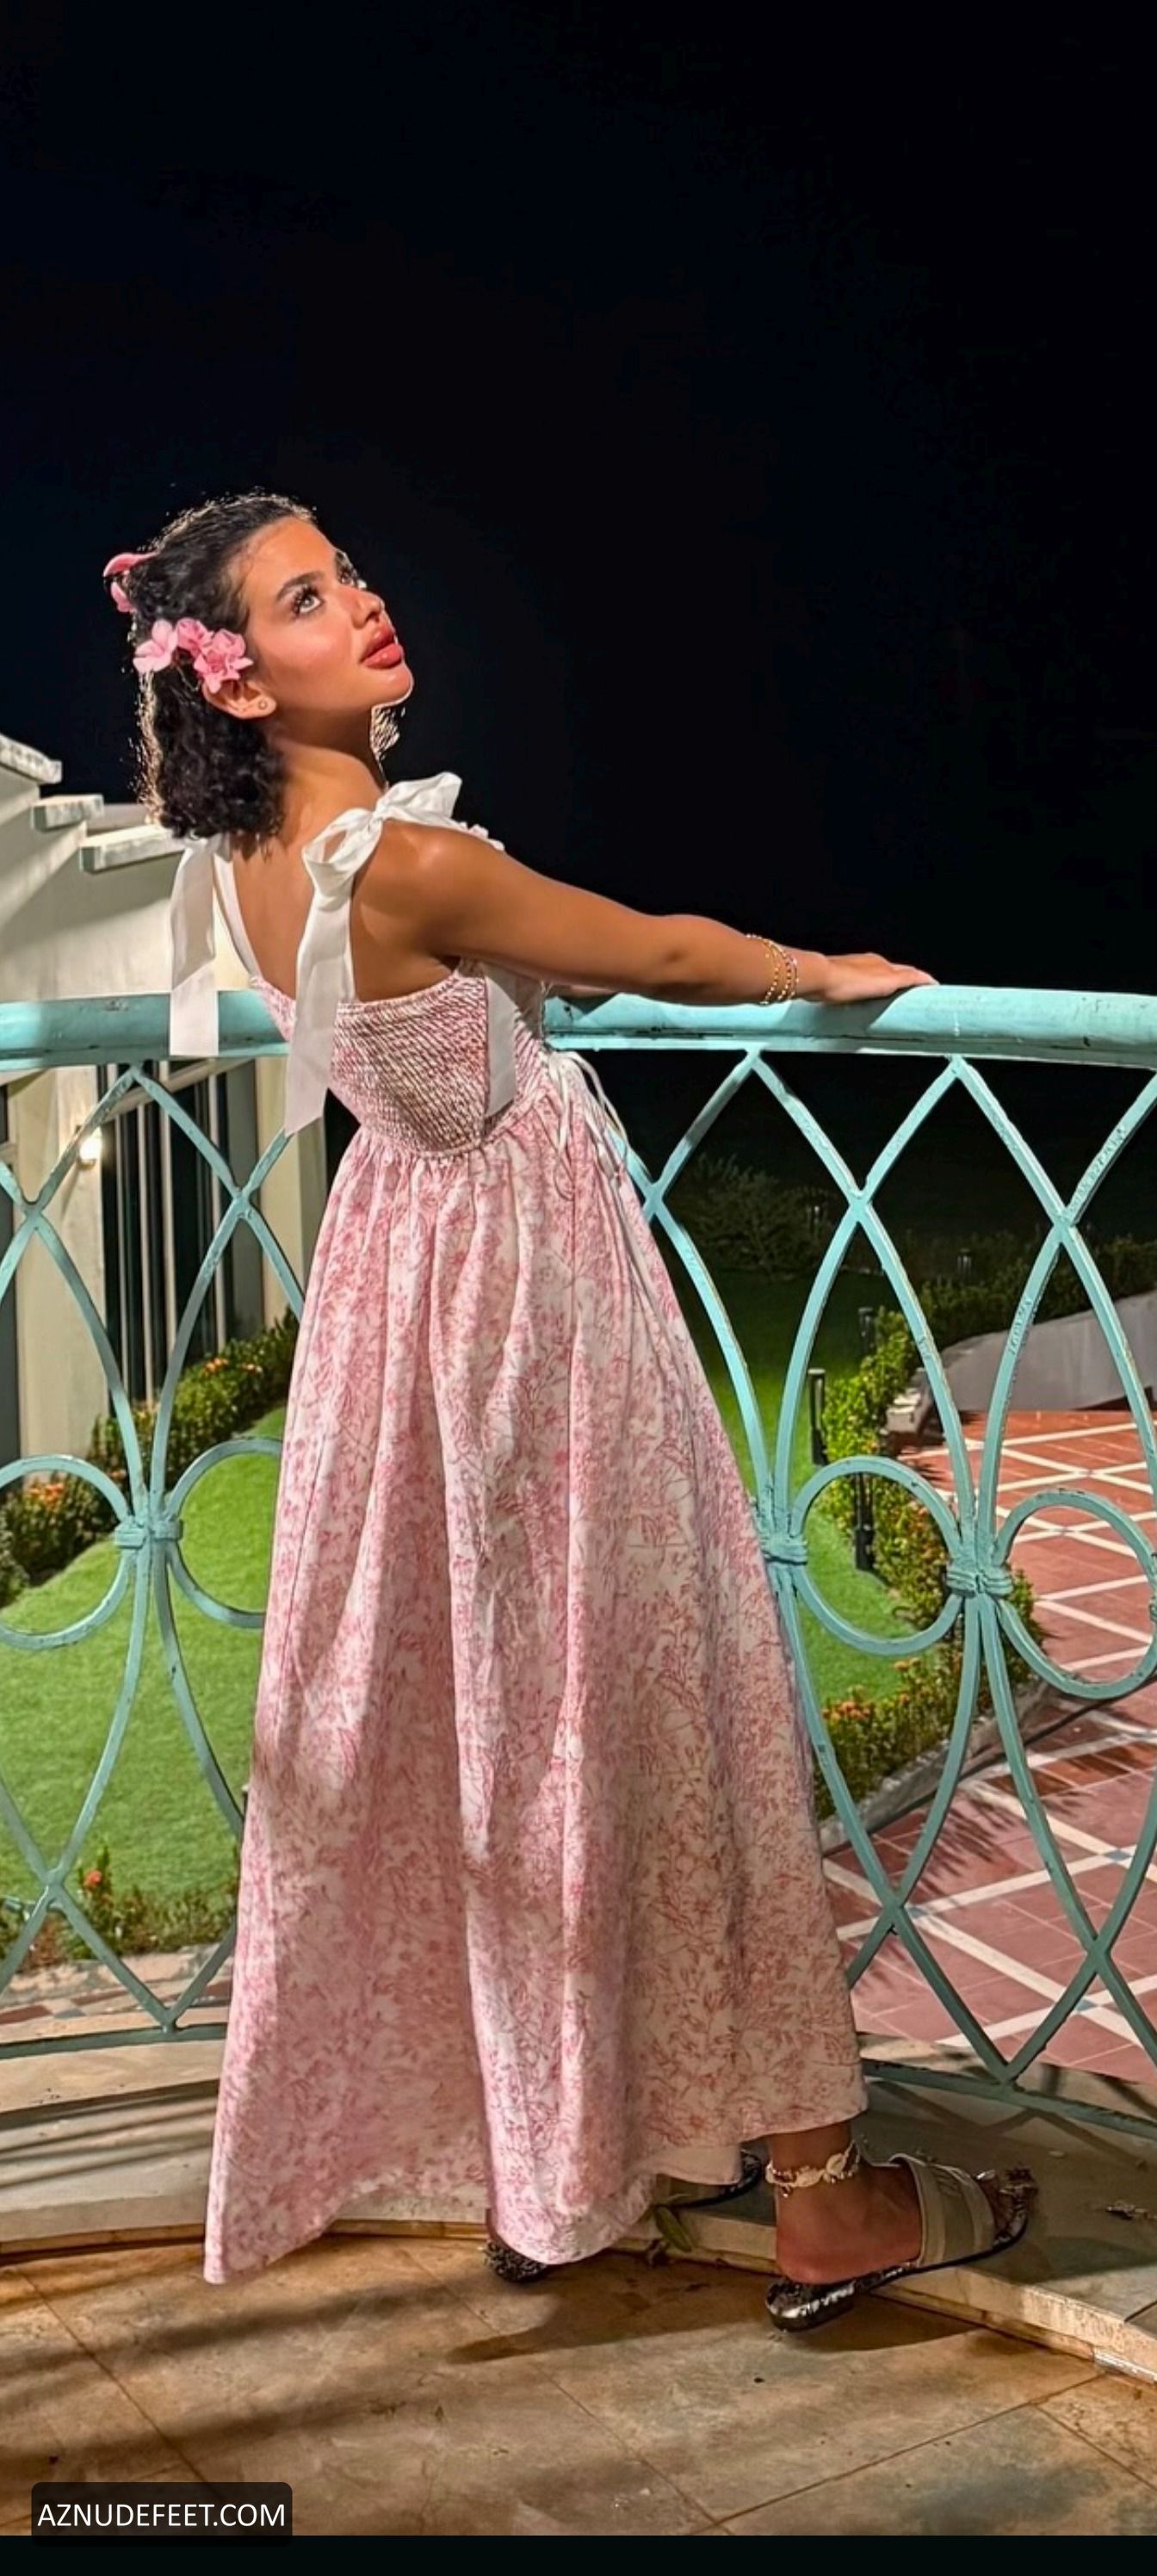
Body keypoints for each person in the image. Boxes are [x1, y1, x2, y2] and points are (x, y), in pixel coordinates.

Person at [105, 492, 1033, 2333]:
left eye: (347, 571)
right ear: (242, 683)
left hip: (409, 1290)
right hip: (535, 1305)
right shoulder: (402, 865)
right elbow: (654, 950)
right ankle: (824, 2195)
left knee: (502, 1722)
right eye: (307, 598)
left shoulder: (244, 871)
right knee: (667, 1699)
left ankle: (552, 2158)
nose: (364, 603)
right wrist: (817, 972)